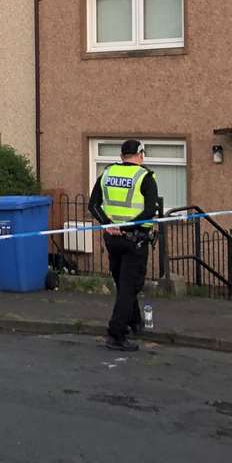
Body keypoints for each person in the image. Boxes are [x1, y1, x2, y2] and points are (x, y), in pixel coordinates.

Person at [88, 139, 160, 351]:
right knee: (130, 286)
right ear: (141, 155)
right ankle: (116, 334)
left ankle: (134, 322)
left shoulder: (107, 174)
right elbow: (149, 211)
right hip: (134, 240)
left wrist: (109, 224)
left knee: (124, 284)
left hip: (112, 239)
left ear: (121, 156)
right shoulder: (145, 177)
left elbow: (93, 205)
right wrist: (127, 227)